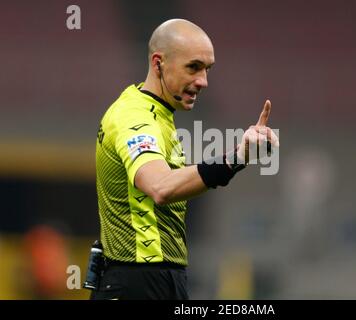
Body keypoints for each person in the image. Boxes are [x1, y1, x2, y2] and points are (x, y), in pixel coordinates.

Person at [91, 18, 279, 300]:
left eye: (207, 69)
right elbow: (162, 187)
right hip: (137, 283)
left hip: (154, 280)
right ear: (158, 64)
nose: (203, 81)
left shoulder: (158, 114)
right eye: (193, 67)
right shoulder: (134, 117)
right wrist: (237, 157)